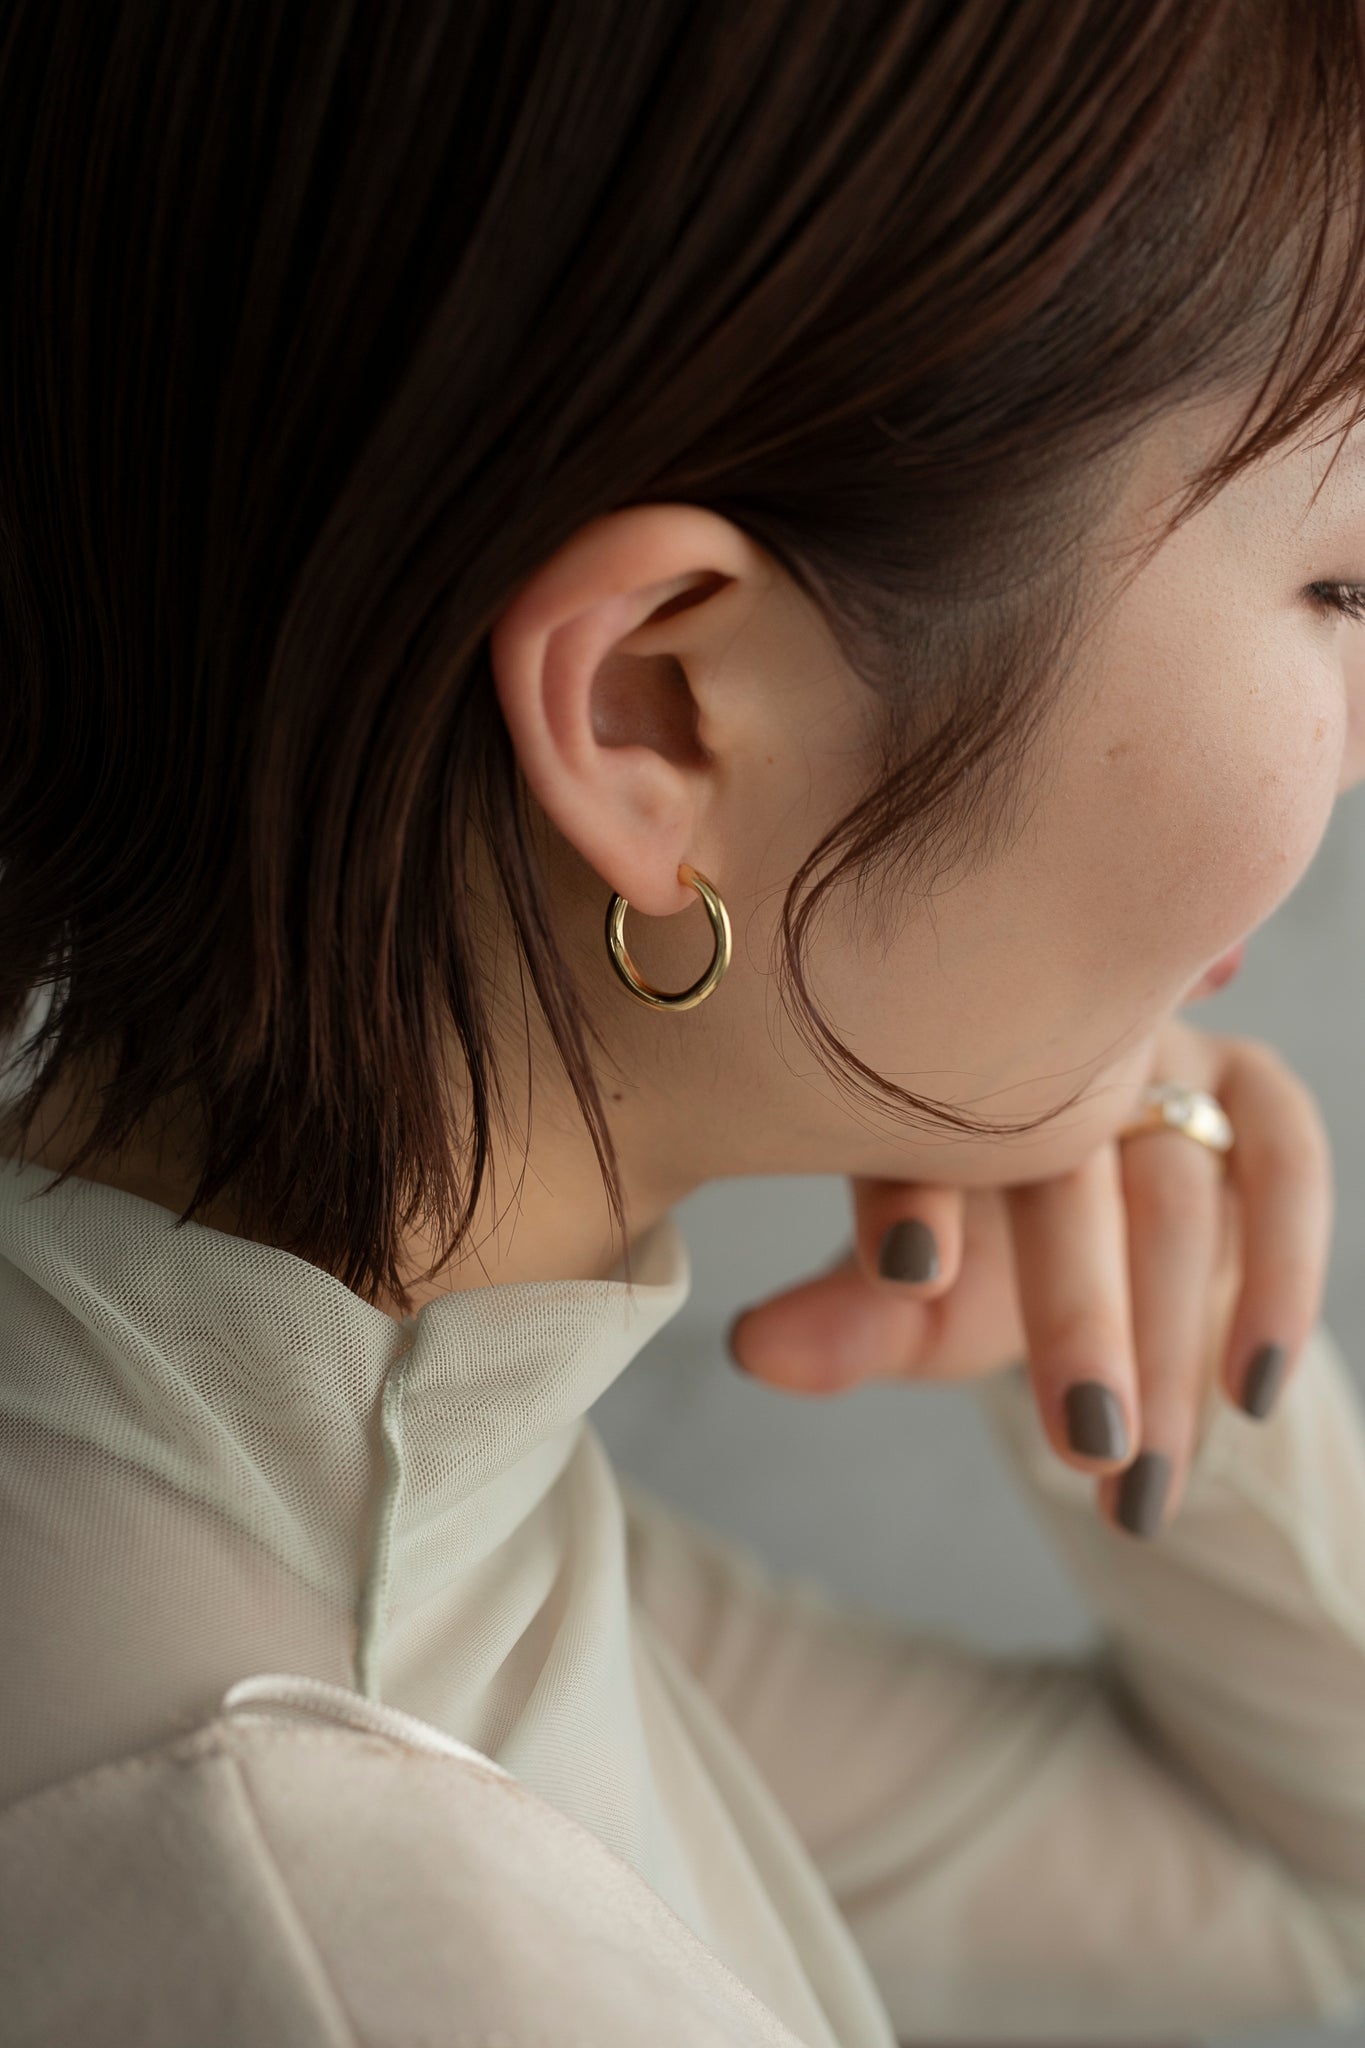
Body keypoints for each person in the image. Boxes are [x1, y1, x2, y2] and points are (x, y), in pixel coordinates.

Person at [1, 2, 1363, 2043]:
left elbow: (1304, 1902)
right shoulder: (356, 1922)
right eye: (1341, 590)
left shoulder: (362, 1518)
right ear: (651, 706)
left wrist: (1181, 1368)